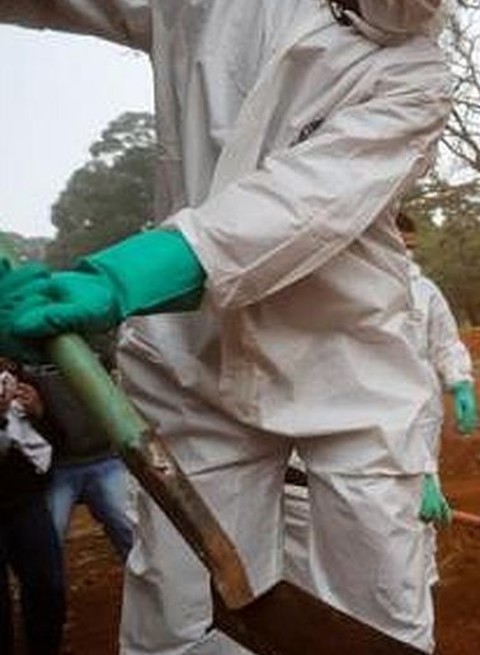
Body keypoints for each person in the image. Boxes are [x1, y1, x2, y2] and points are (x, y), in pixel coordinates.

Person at [0, 1, 454, 651]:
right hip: (191, 359)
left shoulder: (417, 73)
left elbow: (298, 206)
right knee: (177, 620)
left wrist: (125, 277)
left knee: (378, 612)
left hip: (346, 367)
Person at [283, 212, 477, 630]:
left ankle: (418, 588)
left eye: (411, 248)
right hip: (359, 442)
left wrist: (460, 384)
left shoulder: (424, 293)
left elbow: (444, 343)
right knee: (366, 545)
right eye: (399, 245)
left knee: (415, 531)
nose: (405, 255)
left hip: (415, 431)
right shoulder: (341, 292)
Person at [24, 357, 135, 561]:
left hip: (105, 456)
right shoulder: (18, 348)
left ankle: (153, 589)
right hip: (53, 466)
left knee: (130, 530)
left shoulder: (97, 338)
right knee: (46, 544)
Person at [0, 360, 65, 655]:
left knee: (47, 586)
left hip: (26, 503)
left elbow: (59, 440)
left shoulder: (20, 380)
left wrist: (40, 412)